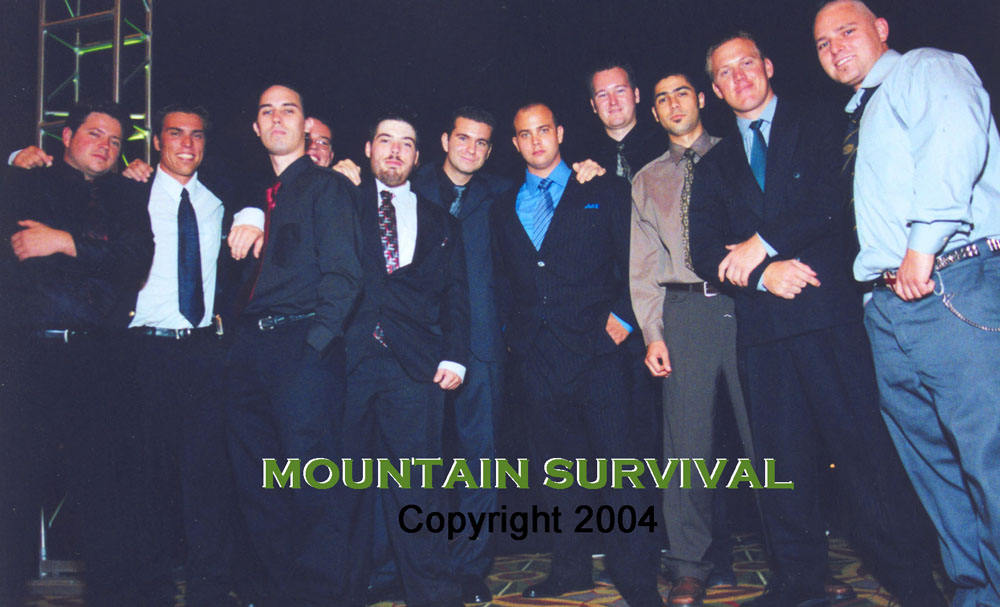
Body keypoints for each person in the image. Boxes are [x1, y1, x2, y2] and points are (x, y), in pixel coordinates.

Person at [689, 32, 943, 607]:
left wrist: (759, 244)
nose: (739, 77)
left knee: (865, 457)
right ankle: (797, 581)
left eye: (747, 63)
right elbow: (703, 251)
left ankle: (912, 582)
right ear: (716, 90)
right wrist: (763, 274)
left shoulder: (824, 122)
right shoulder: (714, 165)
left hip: (831, 320)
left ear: (768, 65)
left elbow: (832, 200)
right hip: (764, 334)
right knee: (782, 465)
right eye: (725, 72)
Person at [813, 3, 1000, 606]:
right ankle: (977, 593)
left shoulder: (926, 68)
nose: (835, 47)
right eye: (822, 43)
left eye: (847, 31)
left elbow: (955, 143)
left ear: (881, 29)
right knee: (937, 471)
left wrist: (923, 248)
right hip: (888, 306)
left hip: (949, 282)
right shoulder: (860, 114)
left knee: (988, 458)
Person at [491, 102, 662, 607]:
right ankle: (570, 571)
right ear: (515, 144)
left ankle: (637, 579)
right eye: (525, 134)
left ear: (560, 132)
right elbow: (503, 280)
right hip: (538, 360)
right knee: (557, 476)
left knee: (620, 472)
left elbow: (636, 260)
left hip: (600, 355)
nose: (536, 140)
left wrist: (624, 319)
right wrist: (514, 338)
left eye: (544, 130)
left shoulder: (604, 189)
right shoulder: (502, 207)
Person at [0, 101, 154, 605]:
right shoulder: (30, 182)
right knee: (15, 491)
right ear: (66, 137)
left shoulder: (127, 195)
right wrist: (12, 160)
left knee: (106, 497)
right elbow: (23, 250)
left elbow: (134, 261)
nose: (105, 146)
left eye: (115, 140)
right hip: (32, 356)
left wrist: (63, 242)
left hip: (101, 360)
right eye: (94, 134)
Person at [226, 83, 363, 607]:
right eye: (267, 111)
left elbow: (344, 276)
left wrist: (315, 345)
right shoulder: (263, 197)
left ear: (306, 126)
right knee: (259, 490)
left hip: (301, 348)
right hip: (250, 353)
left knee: (313, 491)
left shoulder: (326, 187)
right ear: (256, 127)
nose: (277, 118)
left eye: (289, 110)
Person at [124, 104, 262, 607]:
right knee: (148, 481)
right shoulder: (131, 192)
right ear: (157, 141)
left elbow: (262, 189)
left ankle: (210, 592)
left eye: (197, 135)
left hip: (204, 352)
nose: (187, 144)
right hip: (144, 351)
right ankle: (152, 594)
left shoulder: (217, 199)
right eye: (176, 134)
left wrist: (252, 213)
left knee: (208, 481)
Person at [630, 70, 753, 606]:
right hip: (683, 310)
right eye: (662, 99)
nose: (674, 104)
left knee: (768, 433)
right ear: (654, 113)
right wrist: (652, 332)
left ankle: (801, 562)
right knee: (686, 445)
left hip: (747, 303)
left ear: (702, 98)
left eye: (682, 92)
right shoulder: (647, 178)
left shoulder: (739, 154)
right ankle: (688, 566)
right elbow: (643, 264)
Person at [338, 109, 469, 607]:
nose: (395, 151)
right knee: (342, 487)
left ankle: (432, 595)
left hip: (414, 368)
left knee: (419, 488)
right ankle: (342, 593)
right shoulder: (340, 202)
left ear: (417, 157)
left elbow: (458, 296)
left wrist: (455, 356)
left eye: (406, 143)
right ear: (367, 148)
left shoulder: (442, 221)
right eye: (385, 140)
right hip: (345, 363)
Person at [408, 106, 511, 604]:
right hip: (419, 344)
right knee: (415, 463)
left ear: (490, 150)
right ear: (446, 140)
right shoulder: (411, 184)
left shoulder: (502, 193)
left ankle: (470, 568)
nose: (471, 149)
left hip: (483, 345)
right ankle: (415, 566)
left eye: (482, 142)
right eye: (464, 138)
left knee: (481, 463)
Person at [581, 60, 664, 181]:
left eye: (620, 91)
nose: (613, 102)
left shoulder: (666, 148)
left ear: (636, 95)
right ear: (593, 105)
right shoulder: (587, 165)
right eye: (603, 95)